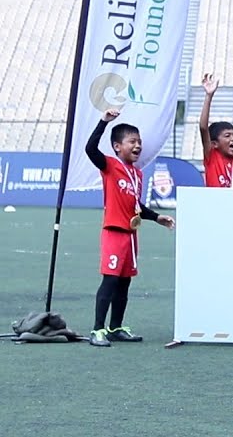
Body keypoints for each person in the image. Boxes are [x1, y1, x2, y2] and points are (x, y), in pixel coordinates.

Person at [84, 109, 176, 347]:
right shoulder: (110, 165)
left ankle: (115, 327)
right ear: (117, 146)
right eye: (132, 142)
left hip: (131, 236)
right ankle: (97, 330)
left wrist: (156, 217)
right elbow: (90, 149)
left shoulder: (137, 174)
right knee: (110, 281)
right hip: (114, 232)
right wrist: (104, 122)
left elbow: (136, 206)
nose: (138, 146)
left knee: (124, 283)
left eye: (139, 142)